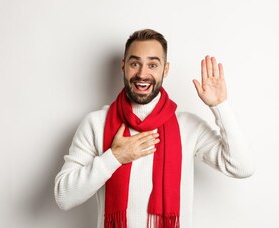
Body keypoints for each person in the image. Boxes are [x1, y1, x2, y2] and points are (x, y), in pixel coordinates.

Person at [54, 28, 255, 228]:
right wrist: (114, 158)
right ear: (123, 66)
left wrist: (220, 106)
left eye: (152, 64)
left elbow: (242, 167)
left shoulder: (188, 127)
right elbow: (64, 197)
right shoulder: (96, 124)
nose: (142, 74)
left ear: (165, 70)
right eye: (135, 64)